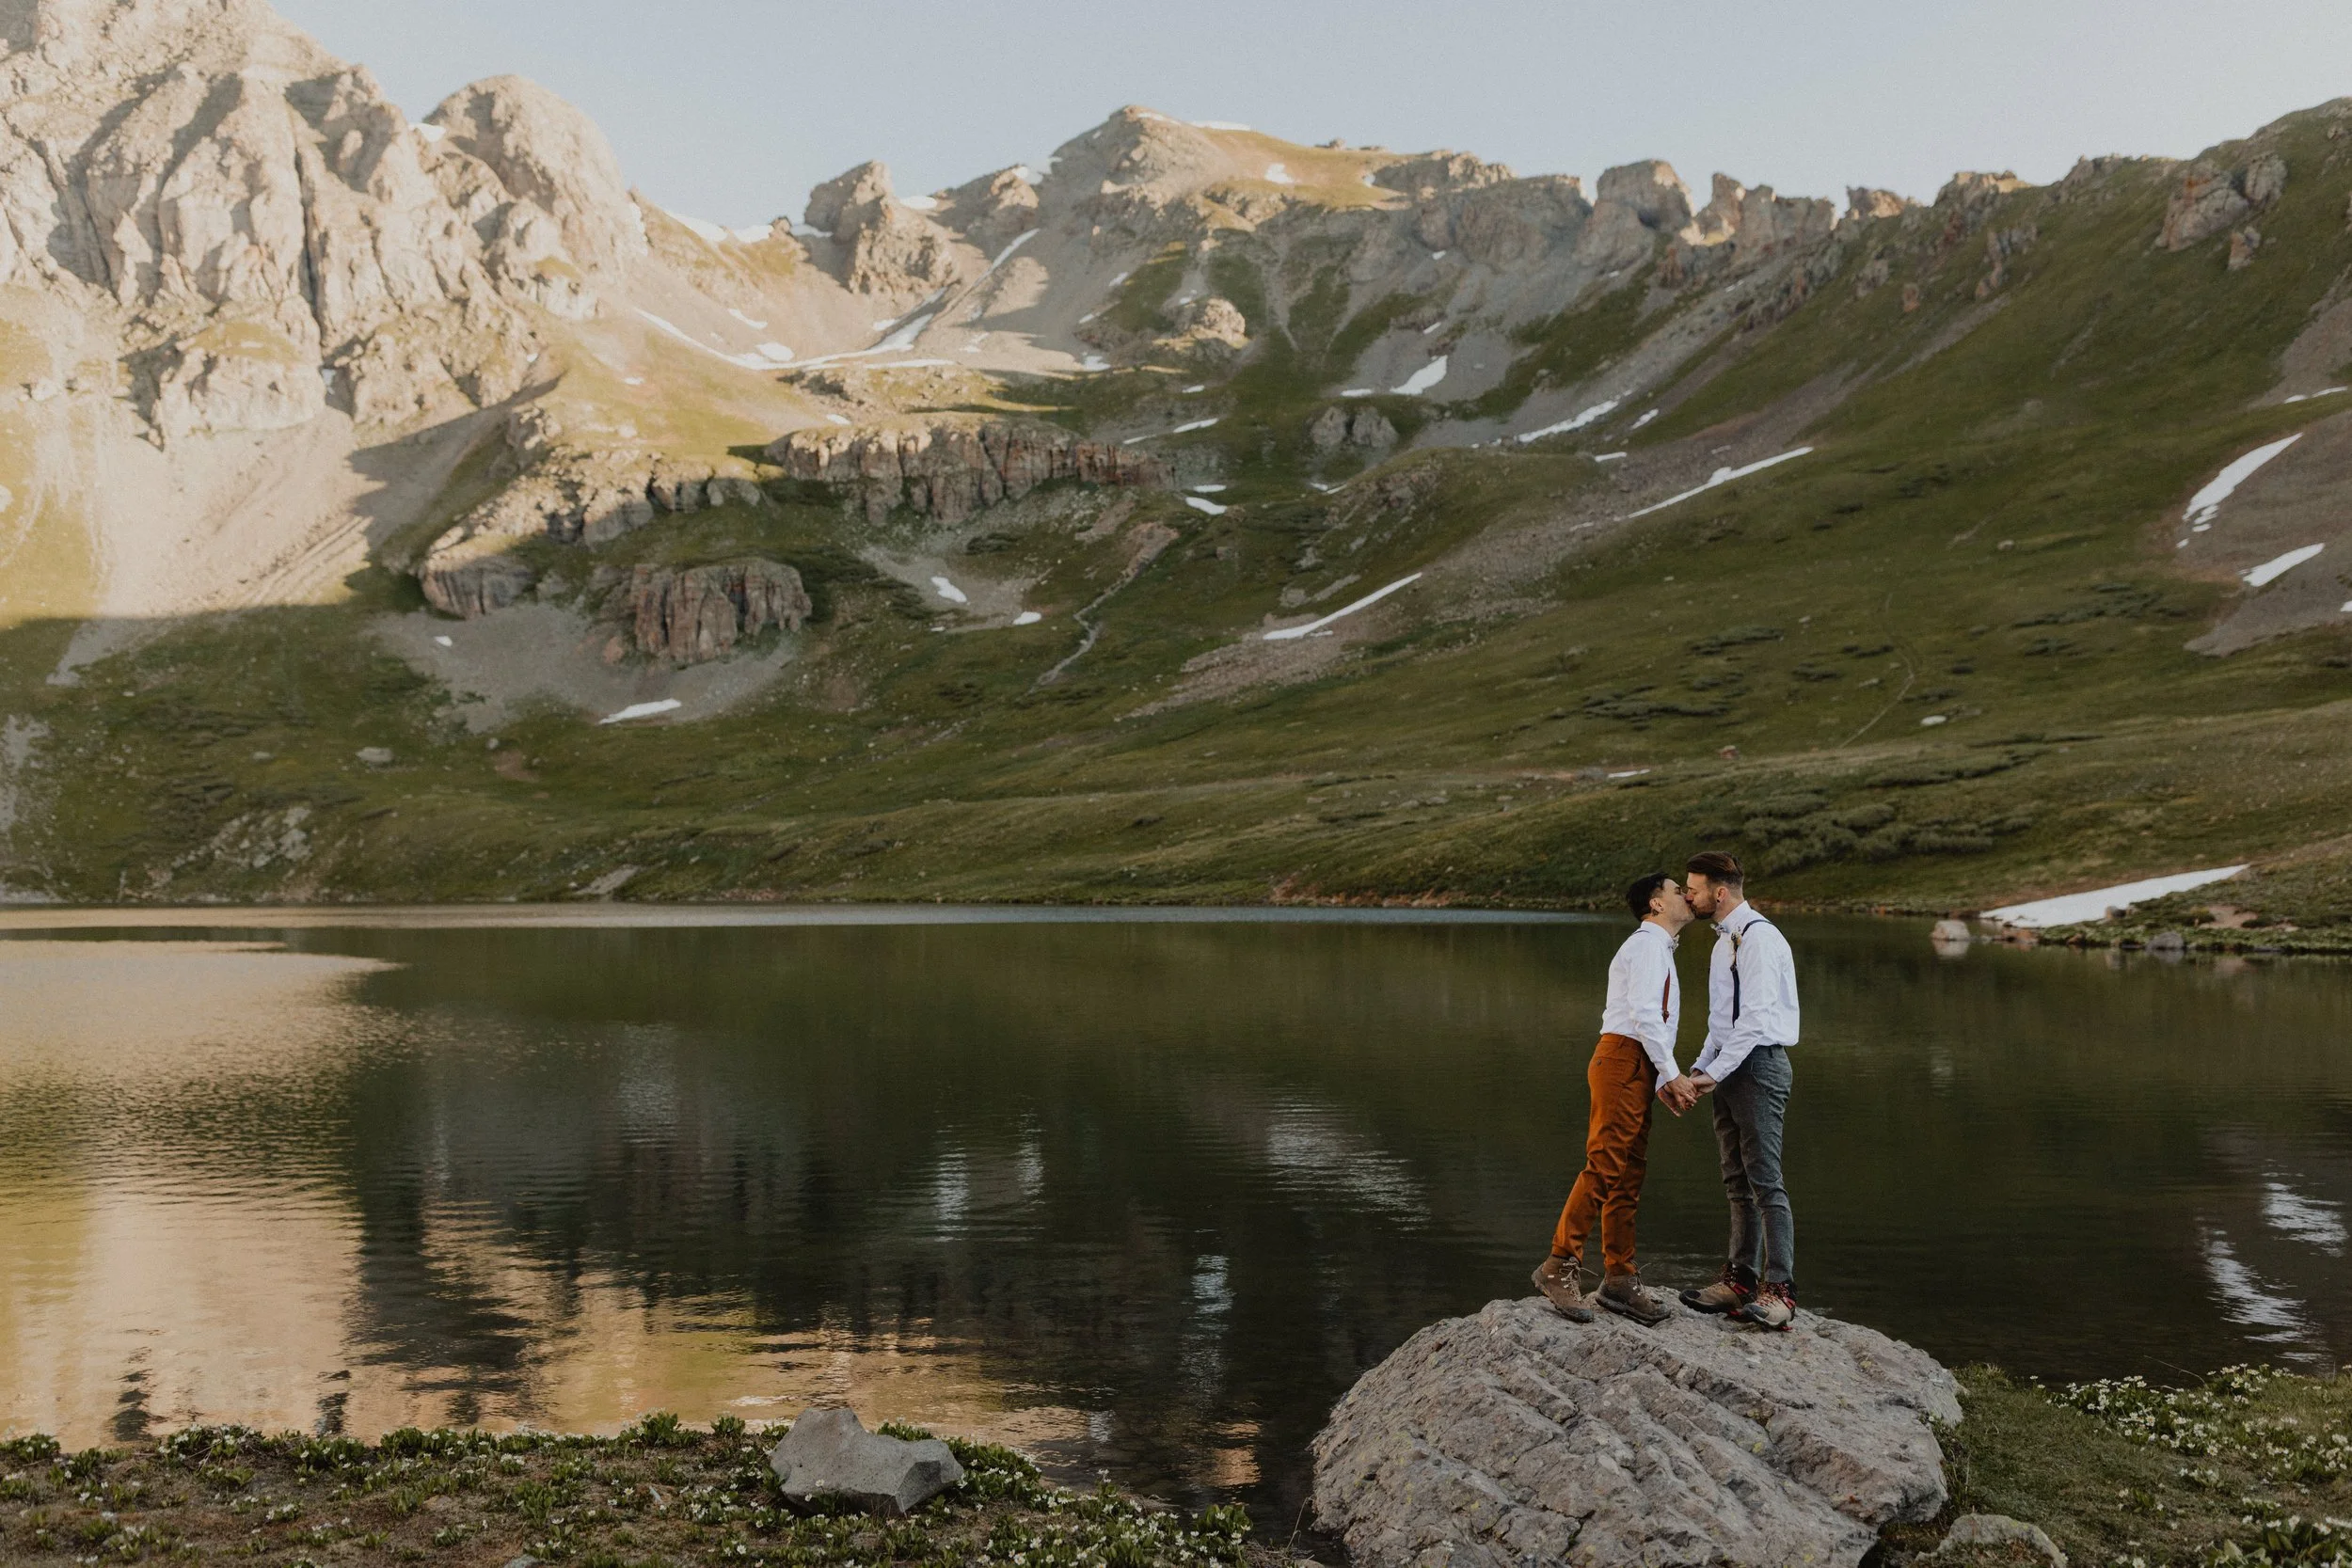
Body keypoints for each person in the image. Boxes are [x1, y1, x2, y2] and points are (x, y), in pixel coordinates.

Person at [1533, 872, 1699, 1325]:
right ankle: (1558, 1265)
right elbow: (1646, 1013)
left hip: (1635, 1061)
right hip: (1623, 1057)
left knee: (1627, 1172)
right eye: (1675, 890)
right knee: (1606, 1164)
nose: (1685, 895)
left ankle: (1620, 1280)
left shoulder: (1658, 947)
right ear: (1656, 903)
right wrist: (1673, 1074)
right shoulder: (1647, 945)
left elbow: (1654, 1019)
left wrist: (1660, 1077)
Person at [1677, 850, 1801, 1330]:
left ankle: (1781, 1292)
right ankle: (1740, 1279)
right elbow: (1720, 1024)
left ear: (1720, 892)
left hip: (1761, 1067)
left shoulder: (1760, 939)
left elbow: (1753, 1023)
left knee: (1766, 1181)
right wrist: (1697, 1069)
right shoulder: (1722, 943)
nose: (1688, 895)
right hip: (1732, 1067)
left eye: (1694, 888)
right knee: (1736, 1179)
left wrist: (1715, 1074)